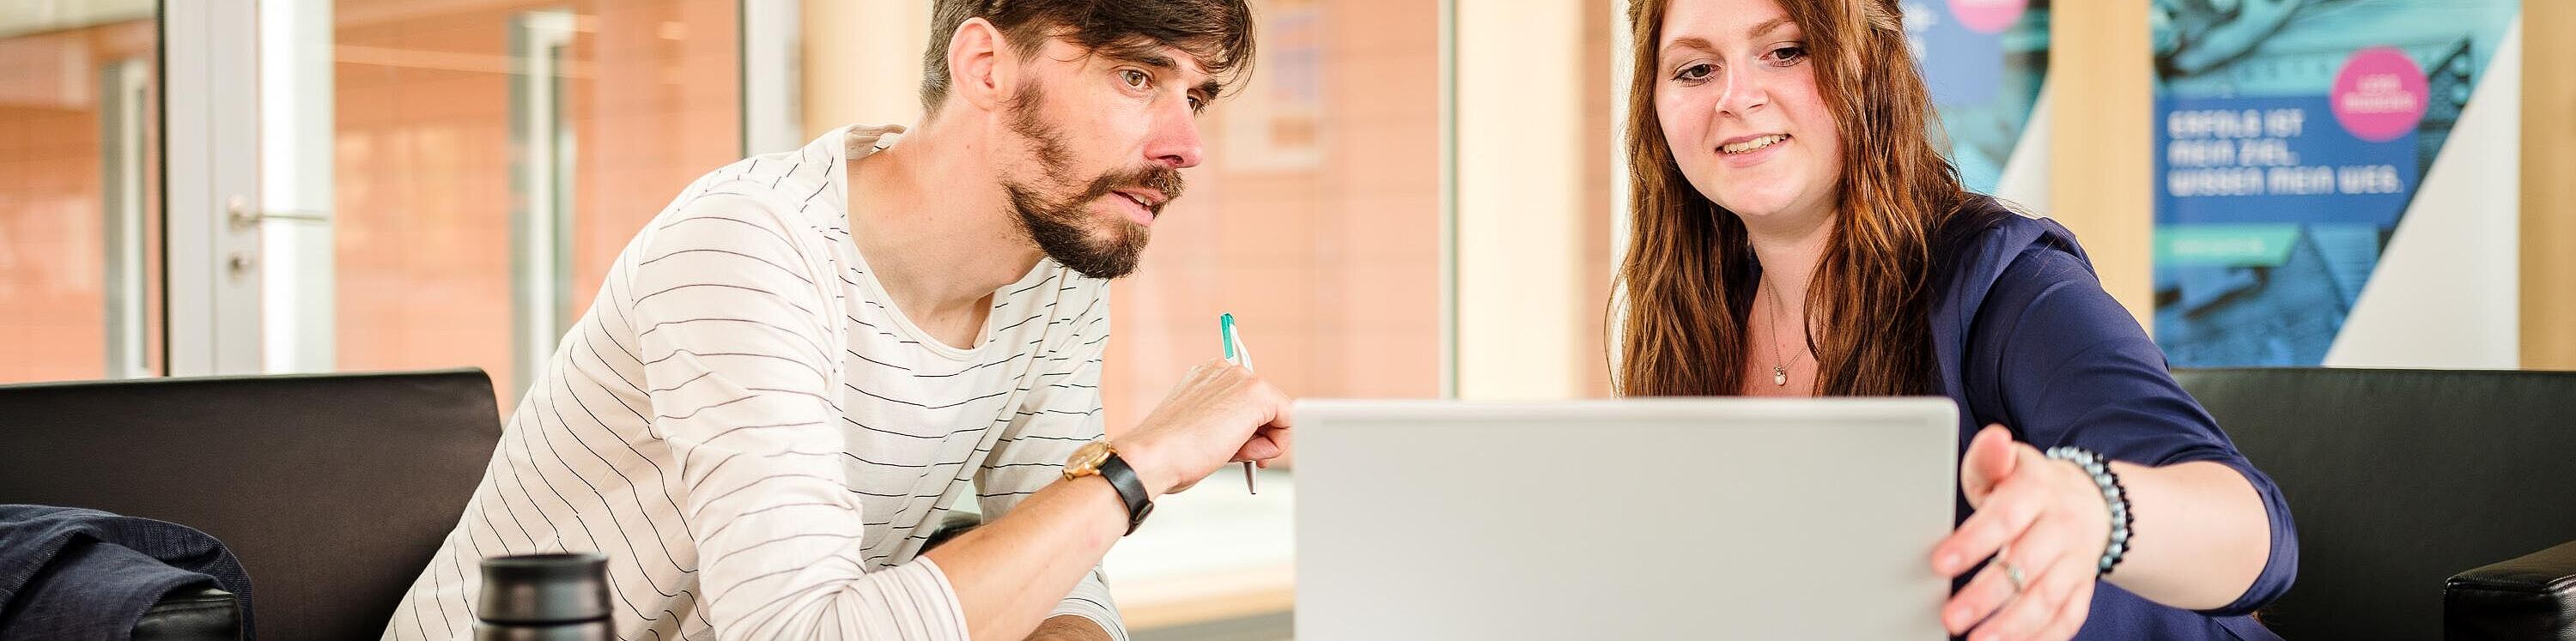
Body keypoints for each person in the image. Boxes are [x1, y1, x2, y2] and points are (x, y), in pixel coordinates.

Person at [385, 2, 1289, 639]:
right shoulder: (751, 246)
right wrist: (1141, 465)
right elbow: (797, 633)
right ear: (986, 67)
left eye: (1197, 96)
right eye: (1139, 76)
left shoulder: (1055, 279)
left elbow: (1066, 578)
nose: (1187, 146)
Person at [1613, 0, 2297, 638]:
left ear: (1870, 63)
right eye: (1695, 69)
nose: (1736, 98)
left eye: (1787, 51)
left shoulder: (2005, 279)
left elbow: (2255, 533)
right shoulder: (1694, 314)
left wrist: (2096, 510)